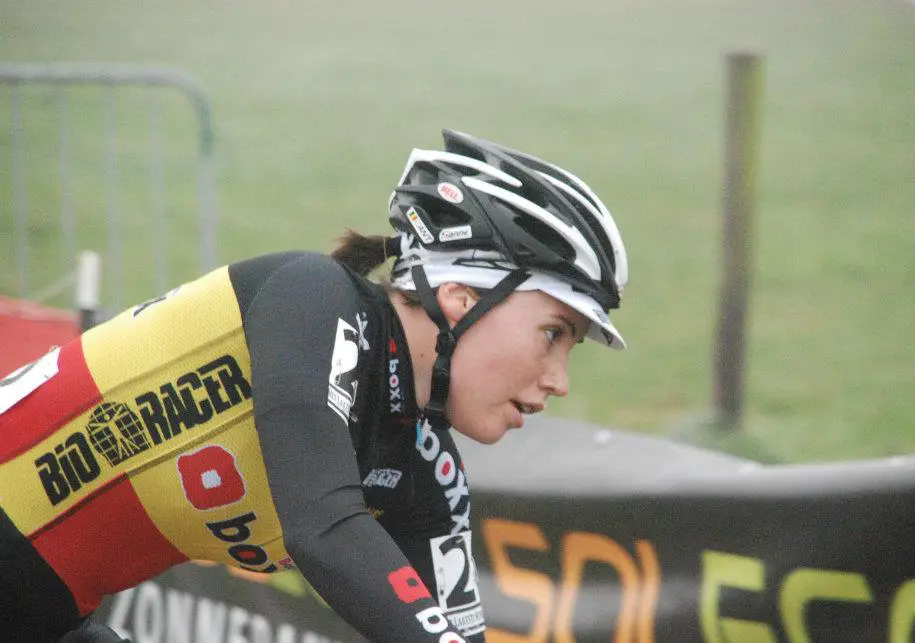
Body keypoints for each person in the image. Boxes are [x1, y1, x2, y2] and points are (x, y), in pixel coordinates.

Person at [0, 129, 628, 643]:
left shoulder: (424, 470)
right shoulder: (315, 300)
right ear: (462, 296)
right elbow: (322, 526)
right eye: (553, 333)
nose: (560, 380)